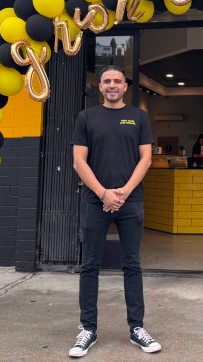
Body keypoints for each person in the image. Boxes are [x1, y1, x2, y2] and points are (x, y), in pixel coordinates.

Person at [69, 65, 161, 357]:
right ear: (100, 87)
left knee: (132, 264)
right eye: (106, 81)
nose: (112, 85)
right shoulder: (86, 117)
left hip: (130, 200)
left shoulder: (139, 117)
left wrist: (123, 193)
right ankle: (87, 330)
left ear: (125, 86)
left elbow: (145, 159)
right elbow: (78, 162)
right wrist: (104, 193)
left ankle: (137, 329)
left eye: (117, 81)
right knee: (90, 265)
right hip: (95, 200)